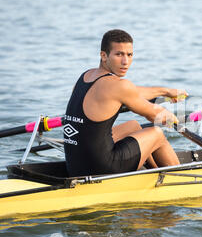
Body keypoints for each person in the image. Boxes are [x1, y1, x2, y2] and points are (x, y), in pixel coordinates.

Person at [63, 29, 187, 176]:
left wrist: (165, 91)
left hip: (75, 164)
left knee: (133, 126)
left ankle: (155, 173)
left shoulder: (86, 76)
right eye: (119, 54)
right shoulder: (119, 85)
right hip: (101, 168)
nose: (125, 61)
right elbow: (155, 116)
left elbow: (132, 92)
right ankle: (180, 179)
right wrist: (170, 115)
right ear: (104, 55)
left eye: (129, 55)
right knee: (157, 133)